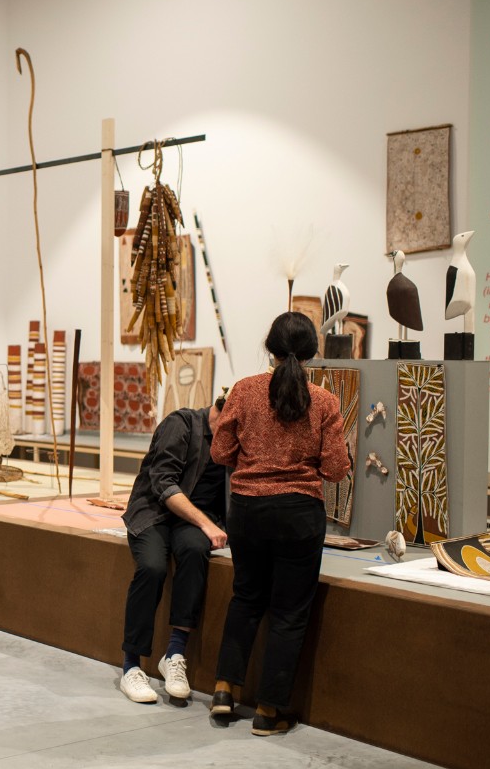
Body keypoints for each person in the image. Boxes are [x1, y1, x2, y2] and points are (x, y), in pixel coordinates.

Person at [209, 312, 349, 735]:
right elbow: (336, 469)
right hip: (299, 515)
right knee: (289, 613)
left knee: (246, 598)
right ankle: (269, 712)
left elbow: (220, 453)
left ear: (269, 346)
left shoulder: (243, 390)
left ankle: (223, 691)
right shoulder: (324, 401)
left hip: (247, 510)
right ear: (311, 352)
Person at [117, 394, 228, 704]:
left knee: (194, 552)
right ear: (221, 412)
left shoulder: (234, 439)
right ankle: (131, 666)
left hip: (193, 521)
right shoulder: (181, 424)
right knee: (152, 567)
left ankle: (175, 652)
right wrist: (206, 524)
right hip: (154, 513)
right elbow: (164, 484)